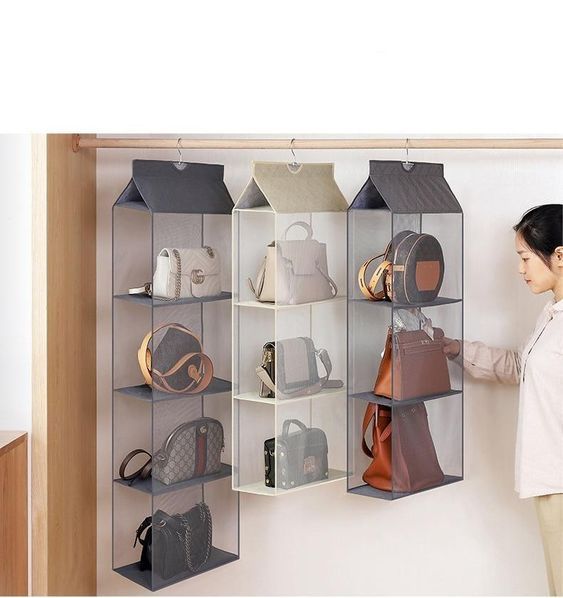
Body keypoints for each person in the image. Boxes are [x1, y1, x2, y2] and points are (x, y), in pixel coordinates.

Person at [443, 203, 563, 596]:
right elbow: (519, 366)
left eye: (525, 257)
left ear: (559, 256)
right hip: (549, 481)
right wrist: (456, 348)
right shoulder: (551, 315)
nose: (520, 269)